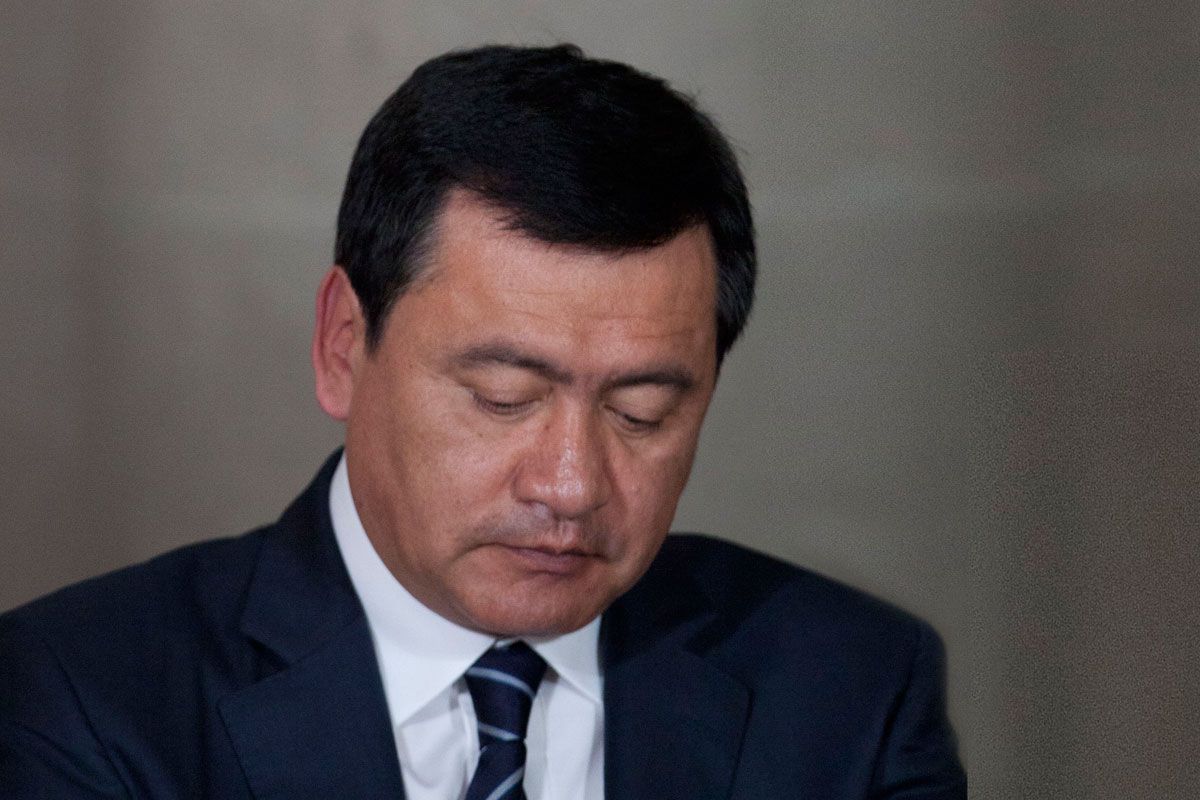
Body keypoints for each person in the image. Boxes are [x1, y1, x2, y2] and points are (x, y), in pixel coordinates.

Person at [0, 44, 966, 799]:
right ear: (342, 346)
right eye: (504, 397)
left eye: (642, 412)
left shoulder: (854, 692)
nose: (570, 486)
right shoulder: (81, 698)